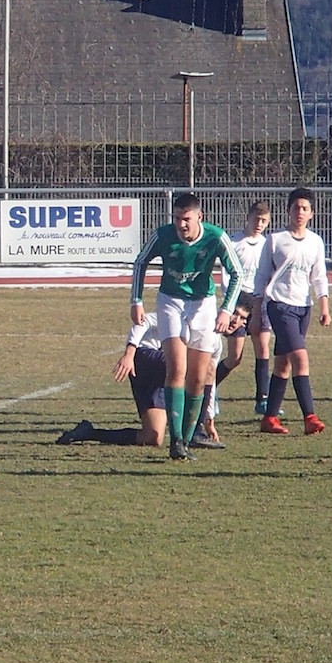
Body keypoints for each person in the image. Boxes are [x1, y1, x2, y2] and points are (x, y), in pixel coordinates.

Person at [129, 192, 243, 461]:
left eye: (187, 219)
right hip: (170, 301)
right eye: (177, 218)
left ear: (199, 217)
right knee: (177, 368)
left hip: (203, 304)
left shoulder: (216, 236)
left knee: (198, 377)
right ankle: (176, 441)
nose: (181, 224)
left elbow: (237, 273)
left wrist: (226, 310)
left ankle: (188, 438)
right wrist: (136, 300)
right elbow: (140, 262)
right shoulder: (163, 235)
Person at [57, 303, 249, 448]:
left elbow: (208, 383)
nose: (236, 321)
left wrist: (210, 420)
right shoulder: (195, 318)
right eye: (235, 313)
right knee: (192, 365)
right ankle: (193, 433)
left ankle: (89, 432)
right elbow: (146, 320)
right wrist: (129, 353)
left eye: (243, 319)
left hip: (160, 376)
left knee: (153, 437)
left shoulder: (215, 344)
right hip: (146, 357)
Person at [254, 187, 331, 436]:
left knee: (283, 363)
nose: (300, 212)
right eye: (296, 207)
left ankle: (269, 418)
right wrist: (256, 309)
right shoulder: (275, 240)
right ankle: (309, 416)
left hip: (303, 307)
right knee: (300, 357)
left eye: (305, 208)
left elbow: (319, 276)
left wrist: (324, 306)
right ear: (288, 210)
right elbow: (261, 276)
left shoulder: (315, 242)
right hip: (279, 304)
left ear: (312, 213)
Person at [214, 200, 279, 416]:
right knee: (235, 357)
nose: (259, 224)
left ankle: (263, 400)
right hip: (238, 304)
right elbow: (227, 277)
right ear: (248, 218)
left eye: (264, 221)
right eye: (256, 219)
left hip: (259, 302)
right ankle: (208, 387)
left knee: (263, 349)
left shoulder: (267, 245)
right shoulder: (234, 242)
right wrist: (232, 304)